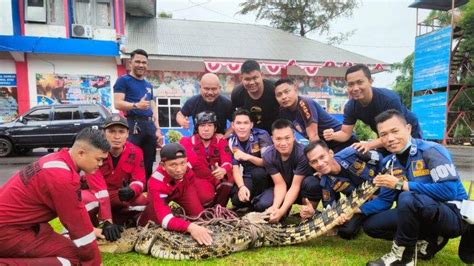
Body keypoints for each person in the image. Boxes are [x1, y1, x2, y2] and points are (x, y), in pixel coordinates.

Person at [338, 110, 469, 265]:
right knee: (371, 225)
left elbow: (449, 191)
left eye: (395, 131)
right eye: (384, 134)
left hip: (453, 214)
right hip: (420, 210)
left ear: (408, 129)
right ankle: (428, 239)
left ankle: (403, 257)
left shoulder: (431, 151)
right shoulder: (390, 163)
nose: (390, 138)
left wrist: (401, 184)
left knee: (407, 197)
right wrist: (354, 209)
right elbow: (384, 201)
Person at [0, 128, 109, 265]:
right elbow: (77, 224)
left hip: (23, 225)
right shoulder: (62, 177)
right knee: (74, 259)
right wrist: (95, 262)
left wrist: (91, 230)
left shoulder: (55, 159)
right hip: (7, 233)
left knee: (67, 245)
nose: (100, 164)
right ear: (81, 153)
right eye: (99, 159)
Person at [323, 64, 421, 154]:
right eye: (351, 84)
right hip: (384, 136)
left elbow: (395, 132)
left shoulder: (389, 99)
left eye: (360, 82)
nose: (355, 88)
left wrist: (369, 144)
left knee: (411, 160)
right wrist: (333, 135)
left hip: (406, 133)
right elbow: (345, 133)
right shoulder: (350, 106)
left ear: (370, 81)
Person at [301, 140, 382, 239]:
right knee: (347, 231)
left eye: (322, 157)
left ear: (330, 153)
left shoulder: (353, 152)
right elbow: (330, 210)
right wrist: (314, 213)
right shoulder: (325, 182)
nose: (320, 163)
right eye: (314, 161)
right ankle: (366, 219)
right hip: (360, 203)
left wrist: (381, 184)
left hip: (384, 189)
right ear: (311, 165)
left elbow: (381, 159)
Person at [138, 143, 214, 246]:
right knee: (148, 224)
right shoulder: (156, 182)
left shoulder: (190, 159)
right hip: (163, 191)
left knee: (199, 216)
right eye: (173, 165)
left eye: (183, 163)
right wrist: (191, 227)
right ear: (163, 166)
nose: (179, 169)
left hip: (184, 188)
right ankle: (138, 216)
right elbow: (165, 220)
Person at [83, 114, 148, 229]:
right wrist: (106, 220)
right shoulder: (95, 151)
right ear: (104, 133)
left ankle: (129, 223)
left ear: (127, 134)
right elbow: (99, 189)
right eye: (112, 131)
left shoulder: (136, 152)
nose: (116, 136)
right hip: (96, 194)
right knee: (84, 200)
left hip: (119, 196)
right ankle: (91, 228)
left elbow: (139, 180)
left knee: (146, 200)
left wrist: (131, 190)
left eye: (121, 132)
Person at [114, 49, 163, 180]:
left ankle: (146, 193)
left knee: (149, 162)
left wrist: (157, 128)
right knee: (131, 160)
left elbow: (153, 106)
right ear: (130, 63)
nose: (141, 65)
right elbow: (117, 103)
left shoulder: (148, 85)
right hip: (133, 124)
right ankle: (130, 191)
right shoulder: (123, 81)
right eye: (137, 62)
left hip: (149, 126)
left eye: (144, 62)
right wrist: (136, 105)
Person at [262, 119, 322, 223]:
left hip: (301, 189)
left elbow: (295, 186)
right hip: (282, 188)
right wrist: (276, 207)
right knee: (263, 205)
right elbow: (280, 184)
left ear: (294, 137)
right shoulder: (268, 155)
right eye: (278, 139)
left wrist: (281, 211)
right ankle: (282, 211)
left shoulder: (303, 153)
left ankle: (307, 216)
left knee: (312, 183)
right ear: (272, 139)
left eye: (287, 138)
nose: (283, 143)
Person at [275, 78, 357, 153]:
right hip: (327, 146)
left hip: (344, 143)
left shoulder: (304, 103)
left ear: (295, 89)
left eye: (287, 92)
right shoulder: (283, 112)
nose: (284, 97)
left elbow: (313, 137)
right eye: (279, 95)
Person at [180, 111, 234, 207]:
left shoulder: (221, 141)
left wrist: (223, 169)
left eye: (210, 125)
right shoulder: (187, 142)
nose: (206, 129)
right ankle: (205, 208)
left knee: (228, 179)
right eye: (202, 125)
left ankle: (220, 209)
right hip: (197, 179)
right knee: (206, 197)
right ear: (197, 128)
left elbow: (227, 160)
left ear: (215, 128)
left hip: (216, 176)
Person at [228, 108, 273, 211]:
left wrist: (247, 156)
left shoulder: (262, 135)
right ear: (233, 125)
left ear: (251, 125)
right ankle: (250, 202)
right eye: (238, 123)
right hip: (248, 176)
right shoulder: (231, 141)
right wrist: (241, 187)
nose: (242, 127)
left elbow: (268, 163)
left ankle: (261, 200)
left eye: (245, 123)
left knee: (258, 173)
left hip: (267, 175)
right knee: (236, 200)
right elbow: (235, 168)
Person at [231, 59, 279, 133]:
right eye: (247, 79)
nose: (252, 82)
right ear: (241, 78)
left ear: (262, 75)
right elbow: (235, 118)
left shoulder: (275, 89)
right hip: (250, 134)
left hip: (275, 132)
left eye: (255, 78)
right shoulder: (237, 94)